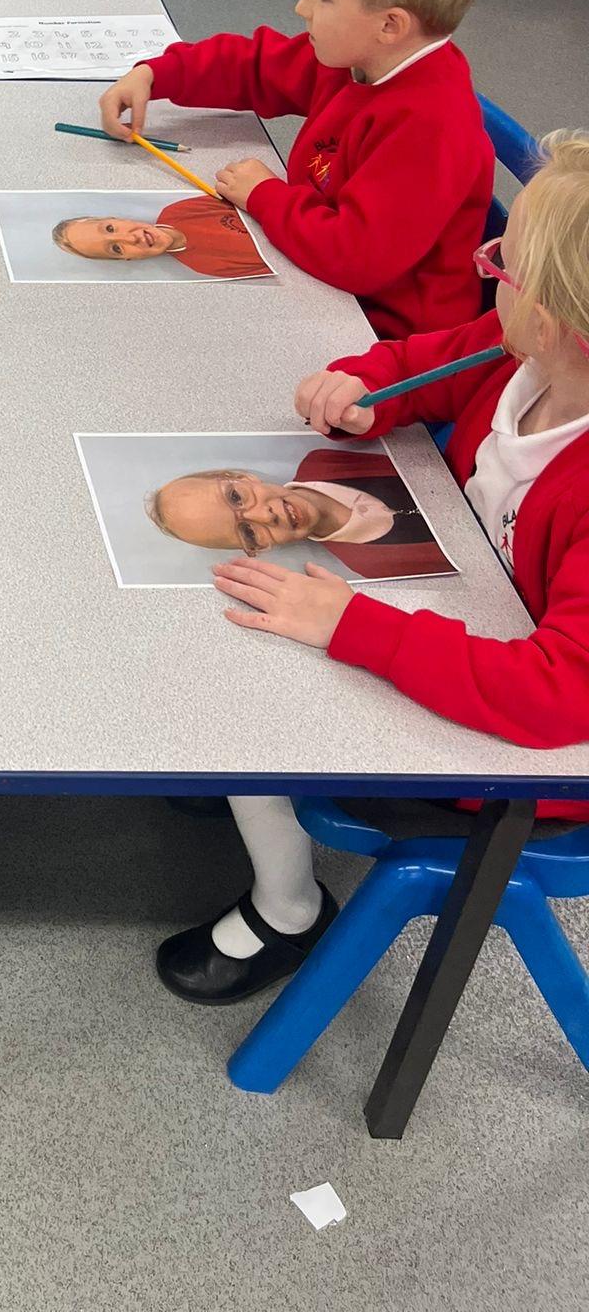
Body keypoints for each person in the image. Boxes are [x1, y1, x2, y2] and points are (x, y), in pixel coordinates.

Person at [157, 133, 589, 1005]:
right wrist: (359, 384)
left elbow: (557, 695)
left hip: (536, 752)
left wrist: (353, 626)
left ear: (550, 318)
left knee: (245, 677)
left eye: (499, 264)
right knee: (233, 620)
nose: (487, 269)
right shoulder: (523, 353)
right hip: (467, 609)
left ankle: (287, 908)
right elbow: (423, 364)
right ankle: (245, 793)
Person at [99, 0, 495, 338]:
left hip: (384, 334)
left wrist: (265, 195)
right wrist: (158, 73)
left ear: (390, 25)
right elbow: (256, 67)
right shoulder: (361, 55)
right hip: (322, 276)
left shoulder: (431, 127)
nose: (302, 6)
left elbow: (357, 258)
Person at [147, 447, 451, 579]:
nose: (265, 516)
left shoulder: (325, 458)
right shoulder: (368, 566)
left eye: (236, 497)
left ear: (241, 477)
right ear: (258, 549)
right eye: (248, 532)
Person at [52, 195, 271, 280]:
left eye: (110, 228)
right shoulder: (206, 266)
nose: (130, 239)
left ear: (116, 218)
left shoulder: (181, 210)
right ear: (127, 259)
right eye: (116, 249)